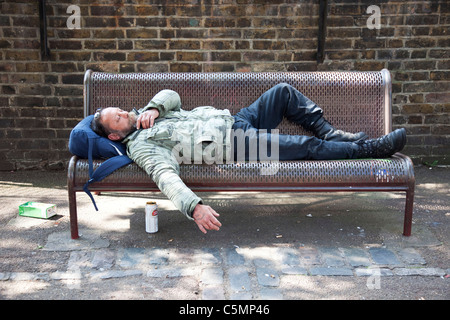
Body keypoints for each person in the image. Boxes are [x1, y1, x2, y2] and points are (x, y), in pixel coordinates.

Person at [91, 83, 406, 234]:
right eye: (117, 118)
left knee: (282, 92)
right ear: (115, 136)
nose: (123, 112)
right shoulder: (142, 145)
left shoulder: (148, 114)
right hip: (238, 144)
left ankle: (335, 136)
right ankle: (367, 150)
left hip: (235, 121)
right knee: (304, 147)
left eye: (119, 110)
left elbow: (172, 93)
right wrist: (194, 207)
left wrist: (154, 107)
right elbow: (165, 176)